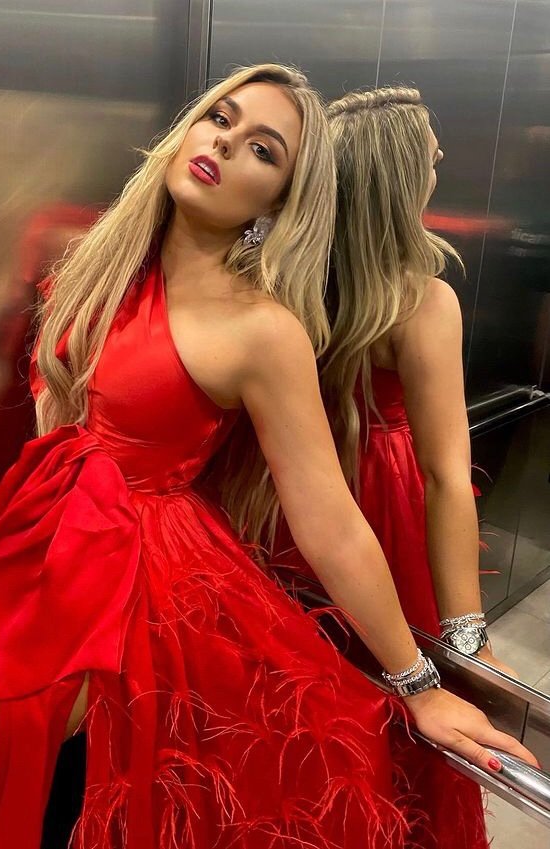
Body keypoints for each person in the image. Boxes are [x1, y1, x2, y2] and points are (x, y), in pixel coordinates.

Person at [0, 65, 536, 849]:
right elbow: (58, 403)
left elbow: (330, 520)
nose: (225, 143)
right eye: (221, 117)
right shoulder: (104, 260)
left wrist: (419, 681)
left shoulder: (261, 329)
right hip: (54, 546)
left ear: (279, 200)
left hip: (139, 585)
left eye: (263, 149)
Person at [272, 85, 518, 848]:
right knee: (402, 697)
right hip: (378, 515)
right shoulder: (421, 300)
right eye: (431, 157)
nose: (441, 164)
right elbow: (447, 475)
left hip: (280, 506)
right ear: (401, 179)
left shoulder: (280, 280)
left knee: (307, 699)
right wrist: (467, 640)